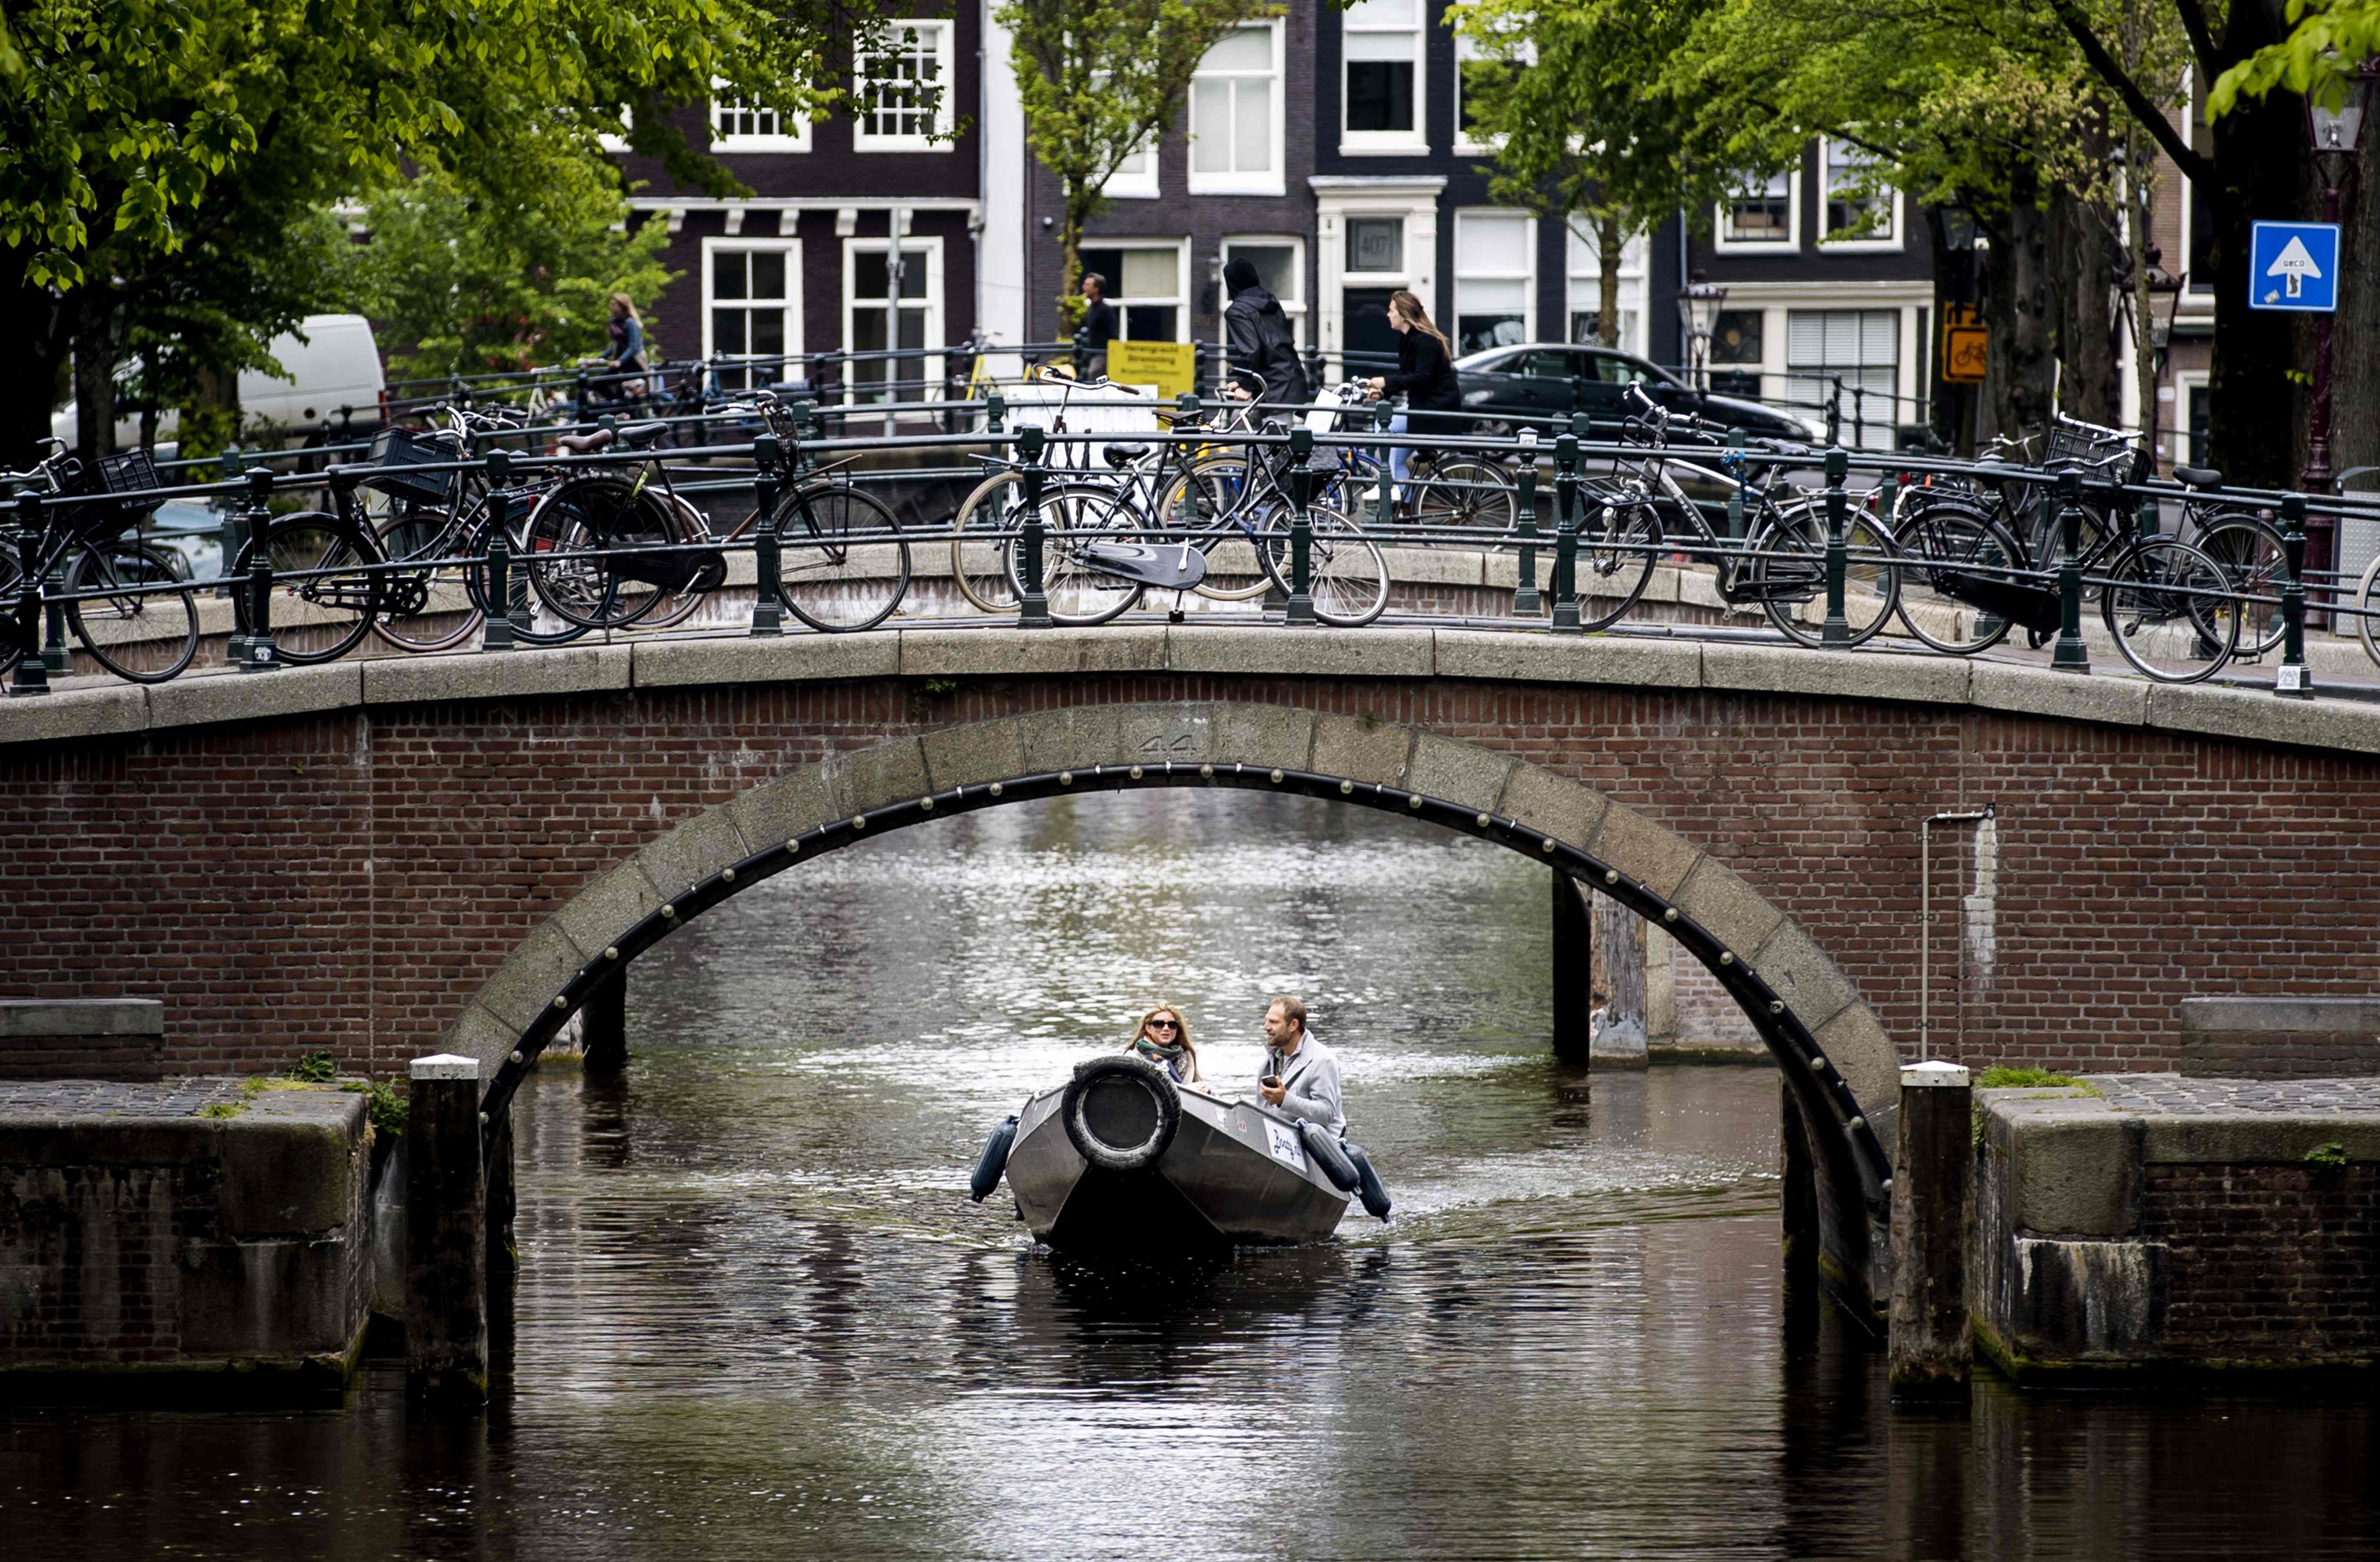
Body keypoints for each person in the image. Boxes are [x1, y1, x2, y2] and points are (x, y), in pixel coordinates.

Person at [1364, 290, 1462, 511]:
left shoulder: (1426, 342)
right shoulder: (1408, 340)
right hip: (1422, 405)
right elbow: (1410, 378)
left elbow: (1421, 378)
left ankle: (1393, 491)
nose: (1388, 315)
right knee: (1396, 459)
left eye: (1391, 311)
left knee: (1383, 425)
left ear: (1404, 315)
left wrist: (1385, 382)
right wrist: (1384, 393)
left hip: (1436, 409)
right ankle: (1405, 510)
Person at [1223, 258, 1308, 409]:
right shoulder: (1270, 301)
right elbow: (1271, 343)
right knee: (1242, 419)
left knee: (1276, 430)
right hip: (1290, 377)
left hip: (1274, 388)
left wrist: (1247, 387)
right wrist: (1241, 381)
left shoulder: (1237, 311)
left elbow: (1253, 350)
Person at [1257, 995, 1343, 1137]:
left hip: (1314, 1146)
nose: (1266, 1027)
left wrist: (1284, 1100)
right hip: (1278, 1138)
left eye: (1273, 1022)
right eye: (1266, 1021)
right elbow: (1261, 1109)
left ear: (1293, 1025)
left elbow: (1326, 1113)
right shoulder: (1270, 1059)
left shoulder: (1323, 1060)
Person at [1127, 1004, 1201, 1086]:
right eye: (1159, 1024)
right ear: (1148, 1028)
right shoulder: (1133, 1058)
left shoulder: (1186, 1058)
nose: (1166, 1028)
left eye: (1172, 1025)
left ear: (1177, 1029)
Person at [602, 292, 650, 403]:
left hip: (633, 365)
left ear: (622, 306)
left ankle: (618, 408)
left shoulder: (630, 322)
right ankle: (618, 407)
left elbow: (633, 346)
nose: (611, 307)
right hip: (623, 366)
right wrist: (598, 359)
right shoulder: (617, 323)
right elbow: (614, 346)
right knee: (599, 383)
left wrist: (620, 361)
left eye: (614, 304)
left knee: (629, 400)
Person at [1076, 273, 1119, 381]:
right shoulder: (1091, 309)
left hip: (1102, 354)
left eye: (1088, 285)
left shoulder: (1106, 310)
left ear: (1096, 289)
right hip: (1092, 353)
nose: (1084, 287)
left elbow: (1113, 334)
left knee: (1094, 375)